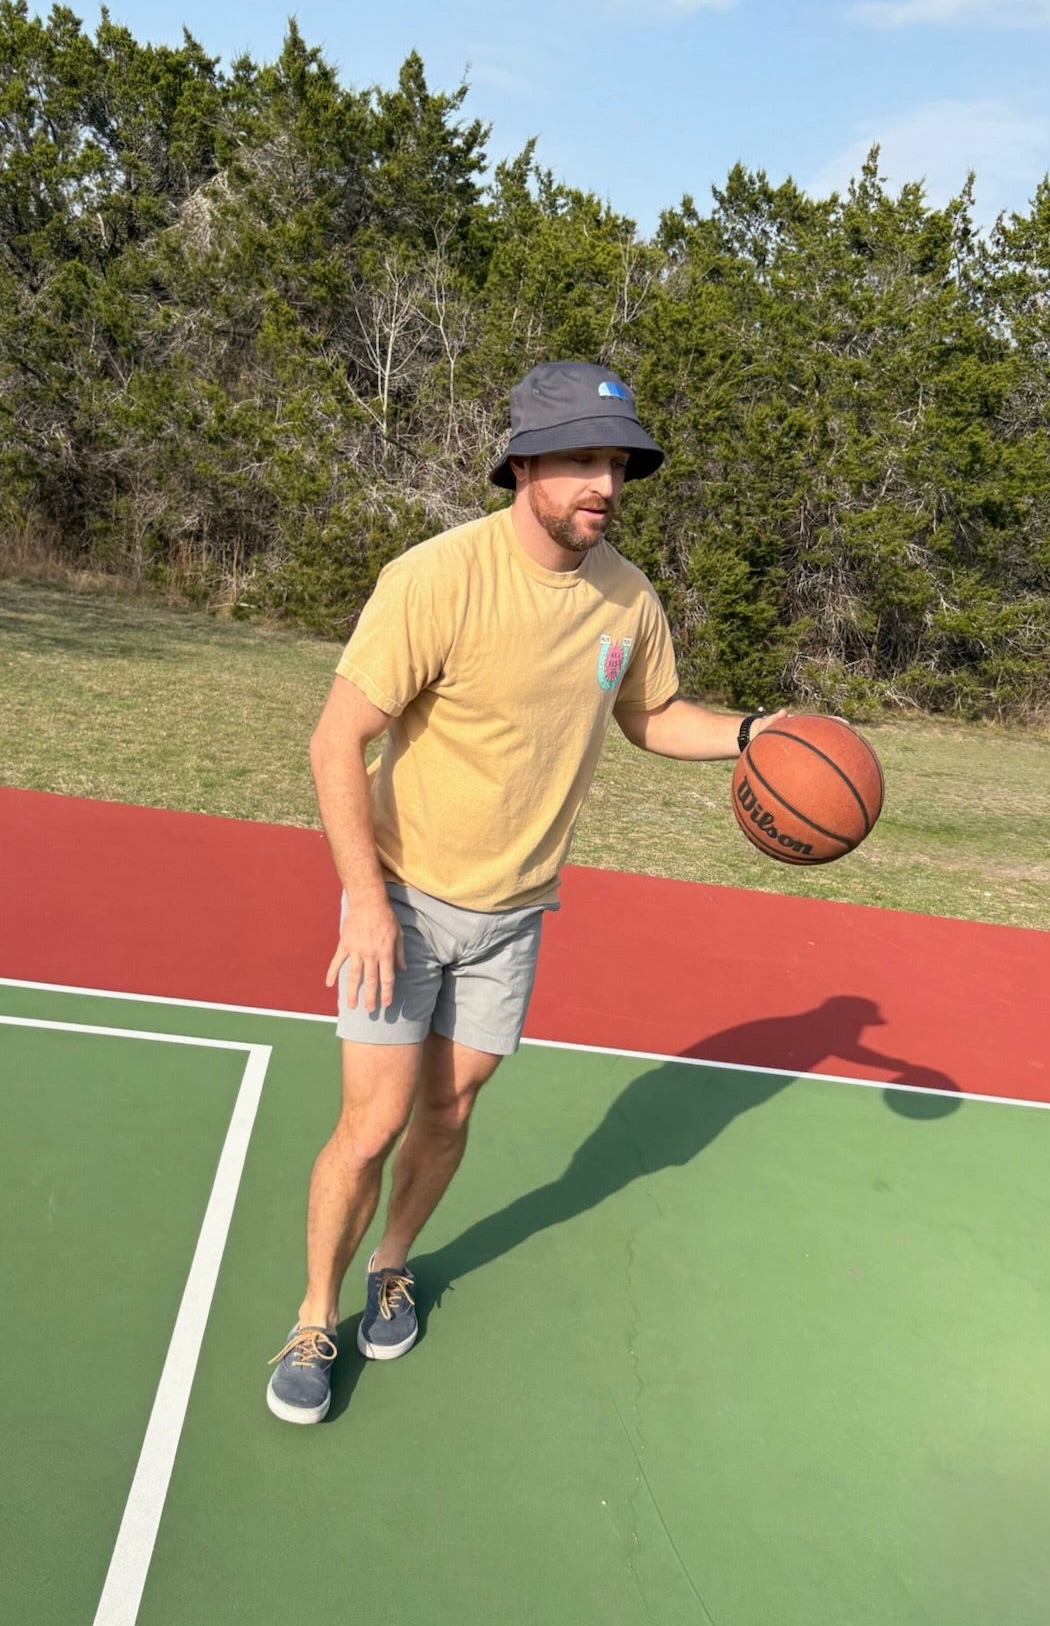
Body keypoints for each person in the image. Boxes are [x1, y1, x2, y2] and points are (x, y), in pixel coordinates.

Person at [267, 360, 784, 1423]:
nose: (606, 483)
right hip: (401, 901)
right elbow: (336, 743)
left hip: (514, 916)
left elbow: (652, 717)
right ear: (522, 465)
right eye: (584, 461)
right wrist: (361, 899)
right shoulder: (435, 578)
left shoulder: (627, 596)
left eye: (618, 464)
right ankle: (313, 1316)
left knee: (450, 1110)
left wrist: (749, 735)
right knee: (369, 1125)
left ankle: (391, 1265)